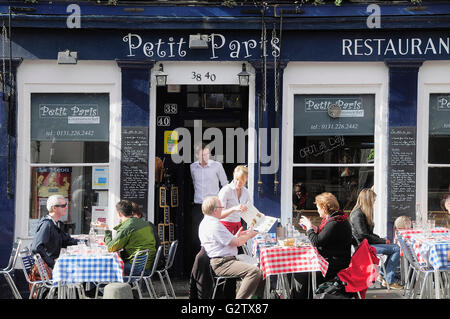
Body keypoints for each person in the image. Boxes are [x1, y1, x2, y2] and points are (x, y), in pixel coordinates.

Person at [198, 196, 264, 299]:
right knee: (254, 271)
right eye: (221, 207)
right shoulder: (214, 224)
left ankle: (255, 298)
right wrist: (250, 235)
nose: (222, 210)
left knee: (260, 268)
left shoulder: (206, 222)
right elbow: (237, 243)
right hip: (222, 263)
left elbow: (228, 240)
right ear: (215, 210)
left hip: (224, 260)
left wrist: (238, 236)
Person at [292, 192, 353, 298]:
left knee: (301, 272)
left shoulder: (334, 222)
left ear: (324, 208)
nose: (317, 210)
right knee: (302, 271)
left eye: (318, 208)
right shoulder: (337, 219)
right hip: (335, 261)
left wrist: (310, 228)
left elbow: (316, 242)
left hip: (334, 266)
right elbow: (325, 236)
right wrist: (314, 228)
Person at [349, 188, 402, 289]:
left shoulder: (361, 213)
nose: (374, 203)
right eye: (373, 200)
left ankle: (383, 274)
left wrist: (381, 239)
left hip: (366, 244)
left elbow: (367, 234)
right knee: (396, 249)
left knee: (394, 246)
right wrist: (382, 240)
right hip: (363, 247)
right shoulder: (358, 215)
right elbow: (363, 235)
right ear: (368, 201)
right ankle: (389, 280)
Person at [188, 142, 228, 270]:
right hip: (198, 206)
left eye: (206, 154)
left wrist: (221, 204)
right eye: (202, 155)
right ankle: (199, 268)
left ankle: (214, 266)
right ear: (196, 155)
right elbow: (192, 184)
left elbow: (225, 185)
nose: (205, 157)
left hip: (214, 208)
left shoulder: (217, 166)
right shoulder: (192, 167)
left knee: (215, 236)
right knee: (197, 238)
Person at [104, 200, 157, 275]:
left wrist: (107, 231)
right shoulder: (144, 223)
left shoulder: (127, 227)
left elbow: (110, 247)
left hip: (137, 267)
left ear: (119, 214)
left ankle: (98, 286)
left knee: (106, 267)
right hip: (148, 264)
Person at [31, 194, 79, 269]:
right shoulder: (47, 224)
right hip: (48, 270)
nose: (66, 207)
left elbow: (66, 241)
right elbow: (36, 247)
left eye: (66, 205)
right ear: (54, 208)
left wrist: (83, 241)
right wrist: (52, 263)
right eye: (63, 206)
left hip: (52, 266)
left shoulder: (55, 223)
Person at [218, 165, 250, 235]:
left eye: (241, 181)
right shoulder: (225, 190)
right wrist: (234, 209)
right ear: (233, 176)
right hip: (224, 225)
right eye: (237, 179)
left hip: (238, 225)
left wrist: (259, 217)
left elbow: (249, 211)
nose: (238, 183)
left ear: (246, 179)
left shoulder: (246, 192)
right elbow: (218, 214)